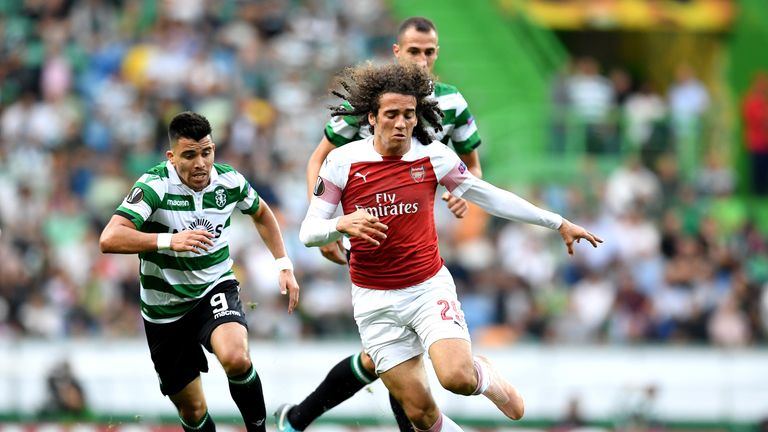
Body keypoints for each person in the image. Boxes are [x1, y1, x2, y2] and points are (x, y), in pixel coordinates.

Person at [297, 62, 602, 432]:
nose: (401, 123)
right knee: (421, 414)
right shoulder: (342, 162)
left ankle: (482, 374)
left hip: (426, 288)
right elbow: (309, 232)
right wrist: (339, 224)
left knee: (455, 377)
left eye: (408, 114)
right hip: (373, 300)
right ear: (372, 118)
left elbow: (490, 197)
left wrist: (557, 222)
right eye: (391, 114)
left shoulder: (434, 156)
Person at [276, 16, 483, 432]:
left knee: (386, 357)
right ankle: (296, 419)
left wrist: (463, 193)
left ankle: (296, 419)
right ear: (396, 52)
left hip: (419, 231)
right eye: (413, 52)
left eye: (429, 52)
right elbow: (320, 158)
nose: (421, 61)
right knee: (397, 355)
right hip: (368, 230)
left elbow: (471, 165)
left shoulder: (452, 102)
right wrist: (327, 224)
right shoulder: (376, 101)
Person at [99, 111, 300, 432]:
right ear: (172, 157)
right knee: (193, 410)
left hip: (213, 288)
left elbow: (262, 213)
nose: (200, 164)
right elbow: (109, 238)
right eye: (189, 155)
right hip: (164, 309)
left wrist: (283, 263)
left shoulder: (228, 181)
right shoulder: (154, 186)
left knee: (237, 358)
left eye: (206, 153)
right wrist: (169, 241)